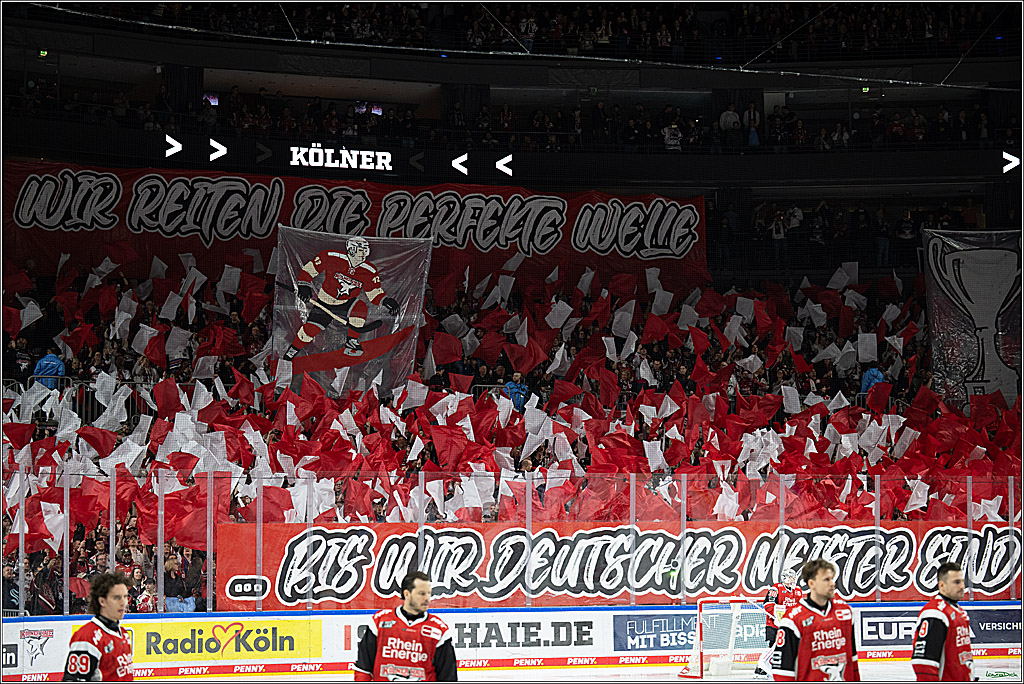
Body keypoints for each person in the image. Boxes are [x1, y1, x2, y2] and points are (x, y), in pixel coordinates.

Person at [283, 236, 399, 360]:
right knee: (309, 331)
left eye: (366, 250)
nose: (364, 253)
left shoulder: (369, 270)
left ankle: (351, 341)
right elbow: (310, 269)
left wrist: (386, 300)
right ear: (352, 249)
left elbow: (374, 292)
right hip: (324, 302)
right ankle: (292, 350)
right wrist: (304, 284)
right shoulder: (331, 256)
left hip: (346, 302)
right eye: (361, 250)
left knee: (360, 308)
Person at [353, 571, 457, 681]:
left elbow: (448, 677)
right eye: (422, 593)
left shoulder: (439, 630)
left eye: (429, 593)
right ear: (407, 594)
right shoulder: (379, 622)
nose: (427, 598)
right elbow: (363, 668)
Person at [772, 559, 859, 681]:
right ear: (812, 584)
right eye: (826, 580)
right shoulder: (792, 620)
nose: (832, 584)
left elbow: (852, 658)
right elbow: (782, 671)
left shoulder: (846, 612)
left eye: (832, 579)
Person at [62, 571, 133, 681]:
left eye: (125, 597)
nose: (123, 602)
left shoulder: (123, 633)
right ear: (102, 601)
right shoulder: (87, 637)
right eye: (116, 597)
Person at [911, 562, 974, 681]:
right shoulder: (935, 614)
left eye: (962, 581)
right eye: (956, 582)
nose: (962, 586)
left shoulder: (960, 612)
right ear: (942, 585)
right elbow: (923, 663)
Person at [754, 569, 803, 678]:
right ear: (784, 578)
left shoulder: (798, 591)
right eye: (791, 577)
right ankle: (760, 669)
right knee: (772, 646)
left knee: (789, 647)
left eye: (794, 577)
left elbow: (799, 607)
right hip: (774, 623)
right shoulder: (776, 588)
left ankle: (781, 668)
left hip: (789, 624)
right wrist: (777, 617)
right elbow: (768, 604)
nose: (793, 579)